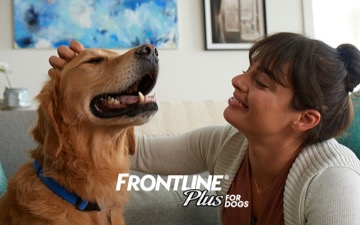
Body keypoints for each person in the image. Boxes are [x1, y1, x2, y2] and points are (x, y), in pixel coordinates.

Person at [49, 32, 360, 225]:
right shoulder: (227, 145)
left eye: (261, 82)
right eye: (245, 71)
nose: (238, 82)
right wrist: (81, 85)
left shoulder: (334, 182)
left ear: (305, 119)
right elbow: (136, 152)